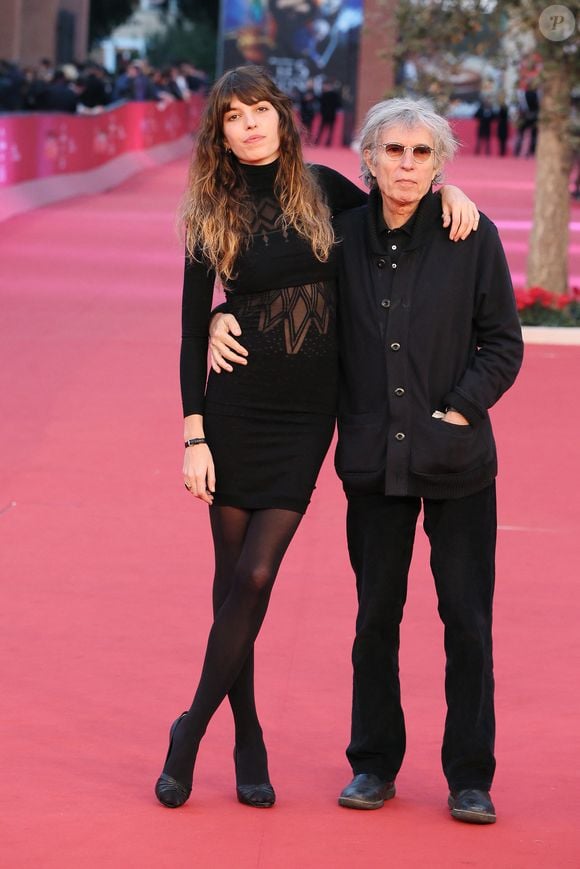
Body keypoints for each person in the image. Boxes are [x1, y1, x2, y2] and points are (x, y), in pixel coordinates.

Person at [155, 67, 478, 811]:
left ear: (281, 117)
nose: (250, 125)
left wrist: (449, 192)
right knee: (233, 579)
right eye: (234, 117)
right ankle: (246, 737)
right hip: (236, 411)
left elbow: (401, 218)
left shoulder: (325, 188)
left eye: (260, 110)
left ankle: (188, 726)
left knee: (258, 576)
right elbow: (185, 328)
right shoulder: (212, 208)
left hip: (307, 420)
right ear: (221, 133)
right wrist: (193, 433)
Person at [331, 100, 522, 823]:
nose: (406, 164)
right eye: (393, 151)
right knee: (376, 616)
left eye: (421, 153)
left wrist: (459, 409)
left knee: (466, 618)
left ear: (440, 163)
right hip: (373, 459)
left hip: (458, 459)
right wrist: (224, 311)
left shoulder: (472, 237)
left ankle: (471, 774)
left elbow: (503, 343)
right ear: (369, 160)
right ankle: (373, 762)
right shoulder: (341, 237)